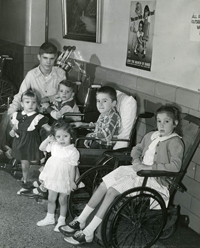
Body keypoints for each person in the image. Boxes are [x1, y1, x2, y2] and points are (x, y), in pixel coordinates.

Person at [60, 104, 185, 245]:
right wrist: (137, 161)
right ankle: (80, 220)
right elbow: (136, 149)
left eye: (166, 121)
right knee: (104, 184)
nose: (161, 125)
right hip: (137, 171)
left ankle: (88, 233)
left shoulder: (175, 142)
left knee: (112, 191)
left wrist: (148, 166)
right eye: (159, 121)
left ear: (175, 123)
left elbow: (175, 166)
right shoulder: (151, 135)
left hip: (153, 179)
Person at [0, 41, 66, 158]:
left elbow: (63, 95)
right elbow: (21, 94)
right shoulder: (31, 74)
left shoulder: (60, 74)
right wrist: (12, 110)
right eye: (45, 58)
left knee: (44, 128)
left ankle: (39, 156)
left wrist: (48, 98)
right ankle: (6, 147)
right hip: (34, 111)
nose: (48, 62)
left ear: (55, 58)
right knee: (7, 116)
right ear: (39, 57)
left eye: (51, 58)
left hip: (53, 112)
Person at [36, 119, 82, 232]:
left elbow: (73, 168)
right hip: (53, 175)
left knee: (62, 200)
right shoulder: (54, 145)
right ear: (54, 137)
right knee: (51, 198)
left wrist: (72, 181)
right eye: (58, 137)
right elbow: (41, 148)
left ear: (71, 136)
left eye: (65, 136)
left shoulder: (73, 151)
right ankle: (50, 217)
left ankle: (61, 220)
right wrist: (48, 139)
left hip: (65, 177)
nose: (61, 139)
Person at [9, 89, 50, 194]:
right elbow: (15, 126)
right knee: (24, 163)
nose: (30, 105)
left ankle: (36, 181)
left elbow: (47, 128)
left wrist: (57, 132)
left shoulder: (38, 117)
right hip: (20, 141)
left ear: (37, 104)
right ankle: (26, 181)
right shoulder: (17, 115)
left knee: (34, 162)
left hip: (31, 143)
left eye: (34, 102)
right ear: (22, 104)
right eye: (27, 102)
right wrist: (13, 131)